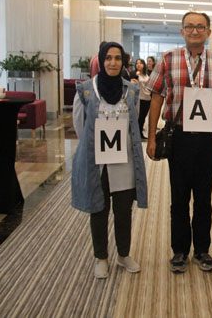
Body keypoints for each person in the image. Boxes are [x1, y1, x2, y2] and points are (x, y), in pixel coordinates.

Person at [145, 11, 212, 274]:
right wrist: (151, 137)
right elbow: (156, 98)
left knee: (204, 197)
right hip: (179, 137)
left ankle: (202, 250)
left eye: (200, 26)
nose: (195, 31)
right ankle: (179, 251)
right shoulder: (168, 60)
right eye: (189, 26)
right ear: (182, 31)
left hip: (209, 137)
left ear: (208, 31)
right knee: (178, 197)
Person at [71, 42, 148, 279]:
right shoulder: (86, 90)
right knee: (99, 209)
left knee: (123, 210)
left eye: (117, 58)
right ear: (101, 61)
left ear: (123, 62)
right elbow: (80, 127)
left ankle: (123, 254)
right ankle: (101, 257)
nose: (113, 63)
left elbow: (133, 123)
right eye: (108, 58)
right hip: (98, 163)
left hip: (124, 162)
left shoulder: (131, 91)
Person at [135, 58, 151, 139]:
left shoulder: (146, 75)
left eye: (140, 63)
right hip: (140, 99)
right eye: (137, 63)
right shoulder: (136, 74)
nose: (138, 64)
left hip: (148, 98)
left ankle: (140, 132)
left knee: (144, 117)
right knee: (139, 117)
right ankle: (138, 134)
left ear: (144, 65)